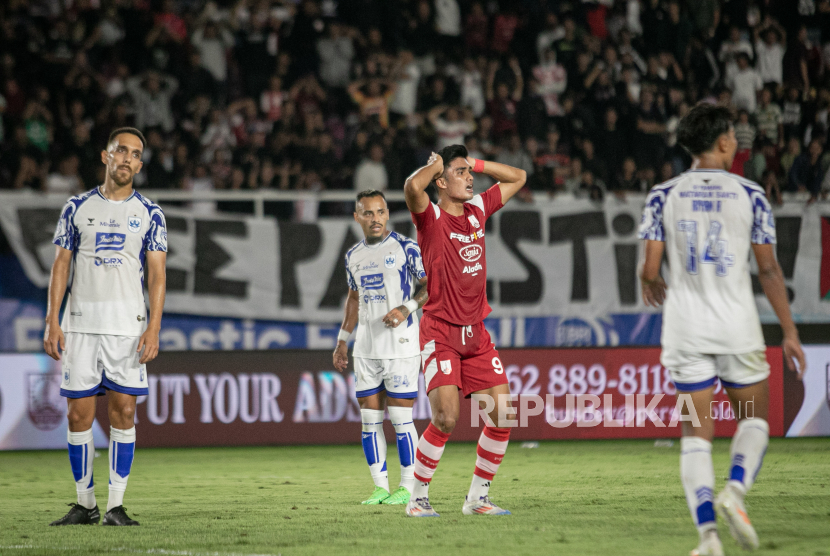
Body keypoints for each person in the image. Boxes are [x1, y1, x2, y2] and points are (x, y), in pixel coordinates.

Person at [638, 104, 805, 556]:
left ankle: (708, 537)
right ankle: (735, 489)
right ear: (725, 142)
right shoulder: (751, 194)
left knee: (695, 435)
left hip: (686, 331)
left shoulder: (663, 195)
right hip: (737, 328)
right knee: (754, 420)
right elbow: (768, 270)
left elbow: (652, 268)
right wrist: (788, 331)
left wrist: (648, 280)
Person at [44, 127, 168, 527]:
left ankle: (114, 506)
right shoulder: (76, 207)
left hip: (127, 327)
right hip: (80, 325)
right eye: (121, 151)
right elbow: (61, 264)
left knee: (124, 411)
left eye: (135, 154)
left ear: (140, 164)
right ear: (105, 156)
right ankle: (85, 504)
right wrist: (52, 319)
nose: (128, 158)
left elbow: (157, 276)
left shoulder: (150, 213)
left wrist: (153, 328)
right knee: (78, 416)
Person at [402, 144, 526, 517]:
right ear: (440, 181)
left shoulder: (477, 210)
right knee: (446, 419)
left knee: (503, 415)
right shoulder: (431, 217)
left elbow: (519, 177)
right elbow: (411, 189)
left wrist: (475, 161)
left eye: (469, 172)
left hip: (477, 334)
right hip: (440, 332)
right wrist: (438, 164)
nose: (470, 178)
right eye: (461, 173)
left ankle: (477, 499)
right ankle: (417, 498)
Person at [333, 190, 428, 506]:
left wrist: (407, 307)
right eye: (368, 213)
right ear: (357, 217)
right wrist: (342, 342)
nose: (375, 219)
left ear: (388, 214)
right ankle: (379, 487)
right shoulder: (353, 256)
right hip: (366, 349)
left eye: (380, 212)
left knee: (401, 420)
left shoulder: (405, 248)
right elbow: (353, 299)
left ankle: (407, 486)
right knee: (370, 421)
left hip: (401, 348)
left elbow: (432, 286)